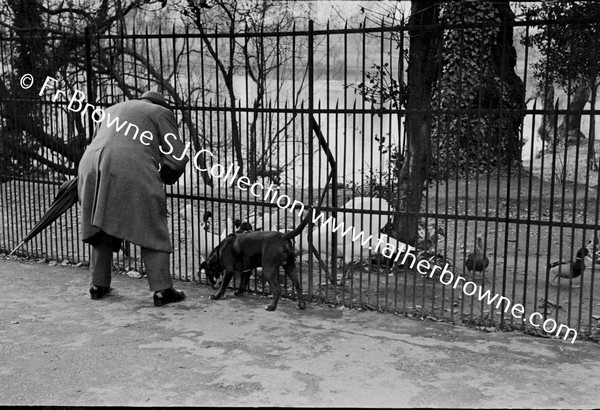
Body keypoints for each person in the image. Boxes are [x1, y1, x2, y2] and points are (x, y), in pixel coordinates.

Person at [78, 91, 190, 306]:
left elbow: (101, 141)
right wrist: (167, 174)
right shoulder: (160, 112)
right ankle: (162, 290)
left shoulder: (112, 109)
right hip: (127, 167)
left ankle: (97, 285)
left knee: (100, 225)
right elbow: (177, 156)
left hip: (90, 165)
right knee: (152, 225)